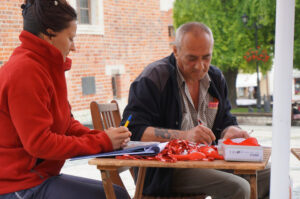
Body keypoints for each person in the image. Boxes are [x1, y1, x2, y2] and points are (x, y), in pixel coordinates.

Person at [121, 22, 270, 199]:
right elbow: (133, 130)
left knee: (270, 174)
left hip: (207, 160)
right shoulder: (154, 77)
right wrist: (185, 136)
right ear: (176, 51)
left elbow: (225, 120)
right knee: (238, 188)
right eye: (192, 58)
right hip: (165, 170)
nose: (200, 66)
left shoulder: (216, 78)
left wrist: (231, 131)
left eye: (206, 57)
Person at [0, 0, 131, 198]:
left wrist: (104, 137)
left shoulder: (47, 66)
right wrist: (102, 141)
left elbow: (66, 124)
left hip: (39, 177)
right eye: (70, 38)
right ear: (49, 34)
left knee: (116, 193)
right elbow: (39, 143)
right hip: (18, 186)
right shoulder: (25, 71)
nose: (74, 47)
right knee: (112, 196)